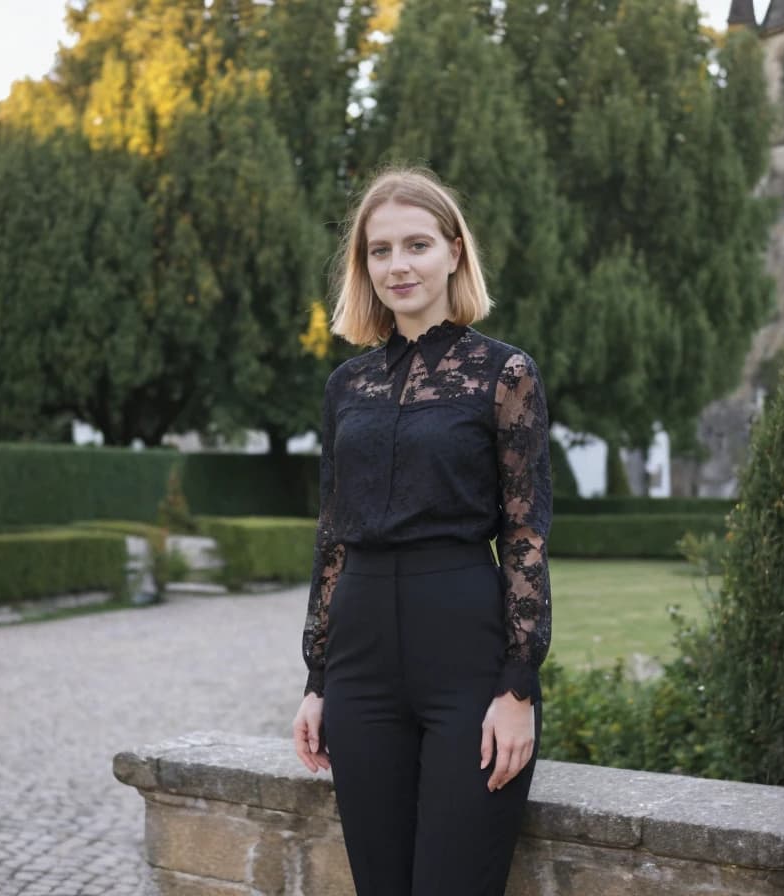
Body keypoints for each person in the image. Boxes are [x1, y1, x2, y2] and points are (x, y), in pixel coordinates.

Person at [291, 167, 552, 896]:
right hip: (360, 661)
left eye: (416, 244)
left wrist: (518, 688)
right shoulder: (347, 386)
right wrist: (317, 678)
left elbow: (526, 533)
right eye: (380, 251)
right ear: (364, 267)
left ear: (454, 253)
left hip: (463, 649)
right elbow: (333, 534)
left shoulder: (505, 374)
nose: (398, 265)